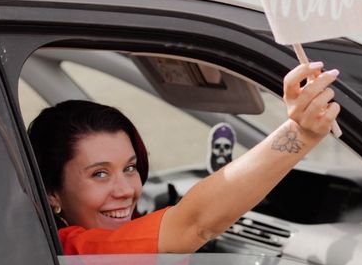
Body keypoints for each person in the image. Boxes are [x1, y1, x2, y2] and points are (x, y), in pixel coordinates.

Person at [28, 61, 339, 255]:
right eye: (99, 174)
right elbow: (196, 225)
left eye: (130, 168)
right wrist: (301, 133)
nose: (124, 190)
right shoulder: (75, 250)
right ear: (52, 193)